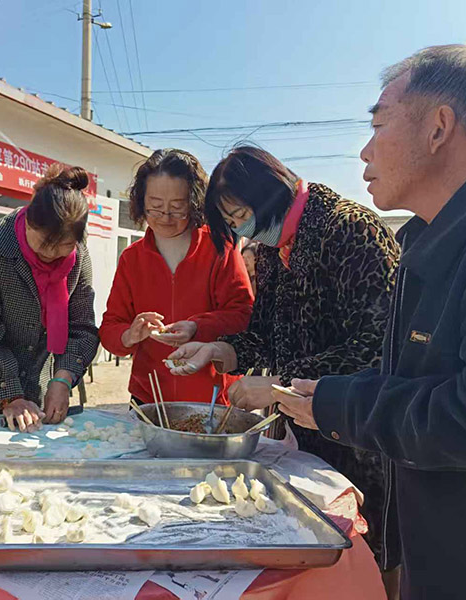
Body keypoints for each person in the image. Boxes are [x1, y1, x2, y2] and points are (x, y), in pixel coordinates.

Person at [274, 45, 466, 599]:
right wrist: (330, 395)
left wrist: (341, 406)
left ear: (438, 127)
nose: (364, 151)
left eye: (378, 125)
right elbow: (415, 382)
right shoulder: (429, 241)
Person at [167, 145, 400, 575]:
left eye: (240, 215)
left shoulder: (350, 230)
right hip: (306, 434)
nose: (241, 229)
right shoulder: (275, 250)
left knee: (367, 557)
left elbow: (378, 346)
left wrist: (280, 385)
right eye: (232, 222)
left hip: (361, 432)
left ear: (270, 194)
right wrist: (220, 350)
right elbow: (264, 335)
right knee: (312, 553)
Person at [99, 149, 253, 405]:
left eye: (177, 208)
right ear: (141, 202)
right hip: (150, 397)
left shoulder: (219, 248)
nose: (165, 218)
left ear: (194, 203)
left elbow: (243, 315)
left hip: (213, 399)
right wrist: (129, 335)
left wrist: (197, 327)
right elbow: (110, 328)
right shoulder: (132, 258)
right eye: (155, 208)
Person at [0, 164, 99, 430]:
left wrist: (62, 379)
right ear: (28, 220)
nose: (51, 255)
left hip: (39, 390)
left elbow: (82, 327)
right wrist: (10, 395)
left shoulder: (79, 258)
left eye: (64, 246)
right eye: (44, 244)